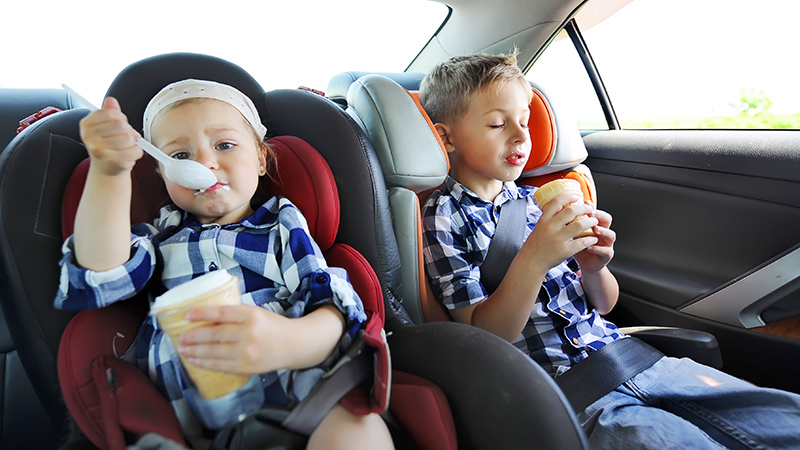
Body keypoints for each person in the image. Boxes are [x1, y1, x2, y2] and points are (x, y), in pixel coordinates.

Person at [419, 53, 800, 450]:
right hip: (565, 389)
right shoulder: (443, 216)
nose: (519, 135)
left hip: (626, 357)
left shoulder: (537, 201)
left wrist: (594, 268)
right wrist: (534, 258)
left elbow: (602, 306)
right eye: (498, 124)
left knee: (786, 419)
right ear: (447, 138)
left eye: (525, 120)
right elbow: (484, 336)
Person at [55, 79, 393, 450]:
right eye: (179, 156)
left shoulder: (281, 223)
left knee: (358, 430)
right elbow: (103, 272)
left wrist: (289, 342)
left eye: (225, 145)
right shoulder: (162, 236)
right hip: (191, 425)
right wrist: (109, 171)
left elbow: (333, 305)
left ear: (261, 159)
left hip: (305, 399)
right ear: (163, 174)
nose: (204, 161)